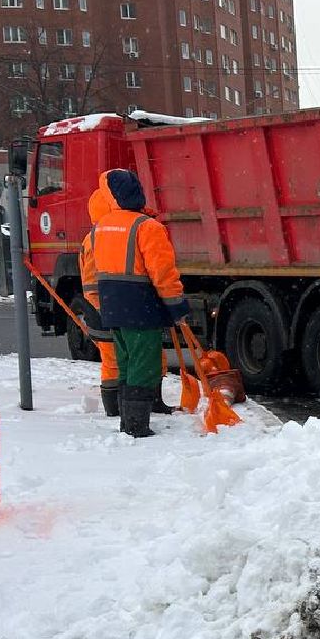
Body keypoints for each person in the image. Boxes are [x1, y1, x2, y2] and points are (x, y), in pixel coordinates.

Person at [91, 169, 189, 438]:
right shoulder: (147, 227)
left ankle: (127, 422)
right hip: (140, 306)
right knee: (144, 366)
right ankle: (137, 426)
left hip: (112, 305)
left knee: (126, 364)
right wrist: (177, 307)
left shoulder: (101, 227)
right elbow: (163, 273)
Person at [78, 187, 122, 416]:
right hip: (103, 308)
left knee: (115, 358)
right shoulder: (99, 238)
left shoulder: (98, 236)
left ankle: (119, 404)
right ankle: (113, 407)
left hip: (105, 306)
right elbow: (93, 281)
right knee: (112, 358)